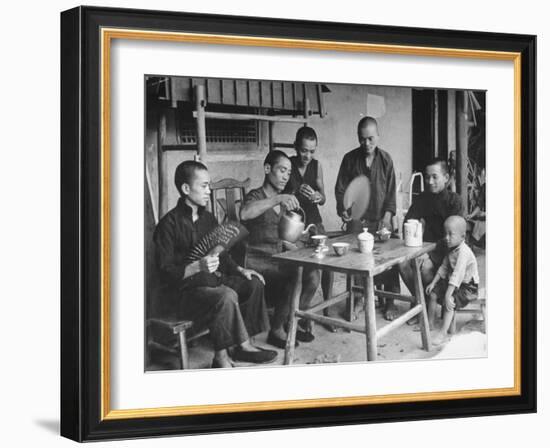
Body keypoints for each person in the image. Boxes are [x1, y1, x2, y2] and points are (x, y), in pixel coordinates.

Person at [153, 160, 277, 368]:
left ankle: (241, 344)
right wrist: (196, 267)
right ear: (185, 189)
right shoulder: (168, 225)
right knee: (226, 295)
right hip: (183, 292)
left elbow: (223, 254)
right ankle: (222, 357)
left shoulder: (208, 219)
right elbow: (166, 274)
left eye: (209, 185)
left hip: (211, 281)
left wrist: (241, 269)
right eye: (203, 186)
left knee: (254, 283)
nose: (209, 191)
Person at [240, 150, 320, 349]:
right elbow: (245, 213)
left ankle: (290, 322)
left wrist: (304, 240)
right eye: (282, 170)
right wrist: (277, 199)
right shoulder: (256, 196)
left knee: (313, 273)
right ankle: (276, 330)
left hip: (277, 258)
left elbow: (283, 236)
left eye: (288, 172)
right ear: (268, 169)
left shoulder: (284, 201)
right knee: (296, 273)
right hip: (258, 260)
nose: (286, 176)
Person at [334, 116, 399, 320]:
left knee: (390, 256)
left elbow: (390, 194)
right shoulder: (349, 159)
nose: (367, 144)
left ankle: (389, 301)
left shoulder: (386, 159)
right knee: (354, 258)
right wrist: (343, 208)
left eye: (371, 138)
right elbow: (340, 189)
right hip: (358, 221)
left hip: (381, 219)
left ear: (378, 136)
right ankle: (359, 298)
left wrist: (387, 217)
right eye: (362, 139)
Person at [398, 158, 464, 324]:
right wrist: (415, 230)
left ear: (446, 177)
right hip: (426, 248)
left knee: (425, 267)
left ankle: (426, 309)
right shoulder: (422, 198)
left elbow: (454, 237)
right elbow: (409, 220)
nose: (429, 181)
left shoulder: (454, 201)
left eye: (435, 177)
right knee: (402, 264)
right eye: (427, 177)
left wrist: (428, 252)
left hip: (449, 252)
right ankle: (420, 303)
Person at [425, 216, 479, 345]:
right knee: (433, 294)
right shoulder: (451, 248)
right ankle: (430, 323)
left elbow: (457, 275)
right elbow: (443, 267)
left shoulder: (464, 252)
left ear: (462, 236)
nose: (447, 238)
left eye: (451, 234)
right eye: (445, 234)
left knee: (450, 301)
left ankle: (443, 333)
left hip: (468, 287)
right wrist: (433, 283)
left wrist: (448, 294)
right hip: (455, 283)